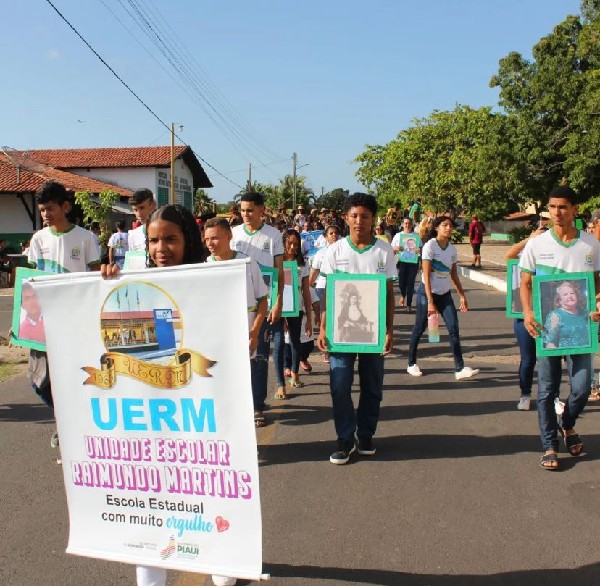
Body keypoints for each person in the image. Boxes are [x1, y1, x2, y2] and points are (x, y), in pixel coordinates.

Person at [520, 185, 600, 470]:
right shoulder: (537, 244)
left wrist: (597, 303)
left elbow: (597, 283)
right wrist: (528, 312)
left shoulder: (590, 245)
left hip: (582, 330)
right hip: (547, 329)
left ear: (575, 210)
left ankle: (567, 423)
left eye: (563, 207)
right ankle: (550, 444)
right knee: (547, 389)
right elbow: (526, 281)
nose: (557, 212)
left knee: (580, 388)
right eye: (552, 207)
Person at [316, 193, 396, 465]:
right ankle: (344, 438)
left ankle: (366, 434)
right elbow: (327, 295)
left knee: (372, 387)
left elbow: (387, 292)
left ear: (374, 218)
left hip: (372, 333)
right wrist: (323, 327)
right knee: (340, 386)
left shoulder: (383, 251)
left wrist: (389, 329)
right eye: (354, 215)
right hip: (340, 333)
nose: (359, 221)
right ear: (345, 218)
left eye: (365, 216)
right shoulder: (334, 250)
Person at [27, 180, 101, 453]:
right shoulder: (38, 240)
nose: (46, 214)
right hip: (42, 323)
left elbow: (94, 279)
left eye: (50, 208)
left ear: (65, 206)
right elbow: (31, 282)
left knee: (72, 376)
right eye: (42, 210)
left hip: (75, 321)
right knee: (39, 381)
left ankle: (70, 426)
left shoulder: (85, 238)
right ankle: (64, 417)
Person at [230, 191, 285, 427]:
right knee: (237, 357)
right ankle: (239, 403)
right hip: (237, 306)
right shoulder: (233, 234)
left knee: (259, 356)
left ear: (262, 210)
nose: (246, 214)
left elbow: (279, 272)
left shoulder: (273, 235)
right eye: (242, 210)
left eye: (250, 210)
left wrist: (278, 302)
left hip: (262, 306)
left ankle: (257, 406)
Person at [406, 216, 479, 381]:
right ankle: (411, 363)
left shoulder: (452, 250)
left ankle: (459, 368)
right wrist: (430, 302)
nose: (448, 228)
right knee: (419, 327)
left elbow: (453, 274)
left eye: (450, 225)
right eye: (445, 225)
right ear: (437, 228)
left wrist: (462, 295)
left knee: (454, 329)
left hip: (445, 295)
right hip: (427, 294)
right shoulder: (430, 246)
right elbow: (425, 274)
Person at [203, 217, 268, 358]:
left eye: (214, 238)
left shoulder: (248, 264)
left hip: (244, 342)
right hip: (217, 344)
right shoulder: (204, 266)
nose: (210, 244)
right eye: (207, 239)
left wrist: (254, 332)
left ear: (229, 236)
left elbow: (263, 301)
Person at [504, 226, 547, 411]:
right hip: (524, 316)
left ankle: (551, 397)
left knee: (549, 360)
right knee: (528, 359)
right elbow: (509, 257)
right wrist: (529, 239)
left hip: (549, 315)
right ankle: (525, 395)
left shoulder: (554, 258)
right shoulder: (526, 255)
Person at [279, 229, 313, 394]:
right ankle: (280, 383)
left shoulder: (303, 264)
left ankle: (294, 374)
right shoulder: (277, 261)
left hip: (296, 309)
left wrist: (309, 318)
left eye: (295, 244)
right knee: (279, 344)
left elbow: (306, 291)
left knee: (295, 342)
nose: (292, 247)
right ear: (283, 242)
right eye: (289, 243)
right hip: (279, 309)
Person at [543, 281, 590, 349]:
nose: (570, 296)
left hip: (585, 353)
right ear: (559, 300)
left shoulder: (585, 313)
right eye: (565, 294)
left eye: (572, 293)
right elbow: (549, 342)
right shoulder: (555, 316)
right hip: (566, 355)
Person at [391, 218, 422, 311]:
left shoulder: (416, 236)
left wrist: (419, 251)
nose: (407, 225)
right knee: (401, 282)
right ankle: (403, 295)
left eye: (409, 223)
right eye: (405, 223)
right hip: (401, 262)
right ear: (402, 225)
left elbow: (420, 250)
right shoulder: (398, 236)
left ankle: (409, 304)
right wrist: (396, 248)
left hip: (413, 263)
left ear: (412, 225)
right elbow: (391, 249)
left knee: (410, 283)